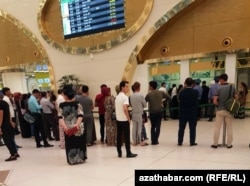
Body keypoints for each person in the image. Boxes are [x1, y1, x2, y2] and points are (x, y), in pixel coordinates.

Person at [58, 85, 86, 165]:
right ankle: (81, 158)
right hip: (78, 127)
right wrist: (76, 124)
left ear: (66, 95)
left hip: (68, 127)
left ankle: (72, 160)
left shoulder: (62, 105)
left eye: (63, 94)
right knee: (79, 142)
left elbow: (60, 117)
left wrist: (65, 127)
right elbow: (81, 115)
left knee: (70, 143)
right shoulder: (78, 104)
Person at [211, 73, 237, 149]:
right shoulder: (232, 87)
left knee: (217, 127)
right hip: (229, 110)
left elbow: (215, 101)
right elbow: (236, 98)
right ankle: (229, 144)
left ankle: (215, 143)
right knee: (229, 127)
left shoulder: (219, 88)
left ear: (222, 79)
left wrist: (218, 104)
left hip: (220, 110)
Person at [115, 80, 137, 158]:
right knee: (127, 137)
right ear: (122, 87)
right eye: (127, 86)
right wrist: (128, 118)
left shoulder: (117, 97)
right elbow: (125, 109)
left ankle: (119, 152)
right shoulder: (125, 97)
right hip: (124, 120)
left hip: (118, 119)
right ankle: (128, 152)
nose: (128, 88)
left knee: (119, 136)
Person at [145, 80, 170, 145]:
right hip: (159, 111)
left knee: (153, 126)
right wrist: (162, 102)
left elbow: (145, 101)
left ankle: (153, 140)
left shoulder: (149, 94)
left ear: (151, 87)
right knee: (158, 126)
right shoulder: (161, 92)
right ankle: (156, 140)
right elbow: (169, 98)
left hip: (152, 112)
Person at [178, 77, 199, 146]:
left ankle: (180, 142)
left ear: (185, 83)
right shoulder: (195, 92)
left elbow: (179, 100)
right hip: (192, 112)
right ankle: (192, 142)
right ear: (192, 84)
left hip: (183, 112)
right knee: (192, 128)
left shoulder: (181, 92)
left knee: (181, 128)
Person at [0, 94, 19, 161]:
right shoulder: (5, 103)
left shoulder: (0, 104)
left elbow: (1, 116)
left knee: (7, 140)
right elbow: (9, 113)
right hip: (8, 123)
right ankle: (15, 152)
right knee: (10, 139)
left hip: (4, 125)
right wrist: (11, 122)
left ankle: (13, 155)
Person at [129, 82, 147, 146]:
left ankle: (134, 142)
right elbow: (145, 105)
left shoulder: (131, 96)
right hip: (139, 113)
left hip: (133, 113)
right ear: (139, 87)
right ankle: (140, 141)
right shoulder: (141, 95)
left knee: (134, 128)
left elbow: (130, 104)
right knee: (140, 128)